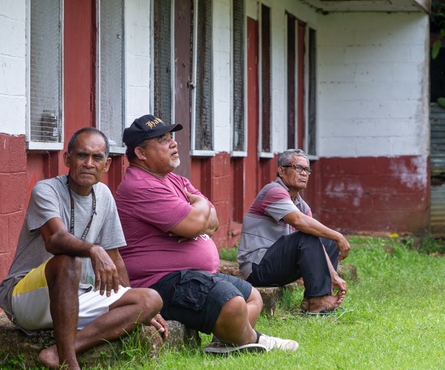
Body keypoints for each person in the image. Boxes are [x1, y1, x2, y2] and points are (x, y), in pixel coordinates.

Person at [114, 114, 297, 354]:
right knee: (232, 304)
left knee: (253, 297)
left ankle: (225, 342)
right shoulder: (141, 185)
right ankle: (256, 340)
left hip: (191, 276)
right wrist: (199, 209)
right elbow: (196, 223)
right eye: (163, 139)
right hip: (159, 282)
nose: (173, 143)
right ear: (140, 153)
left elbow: (213, 222)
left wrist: (198, 217)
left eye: (171, 137)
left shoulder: (173, 179)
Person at [0, 127, 167, 370]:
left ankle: (58, 351)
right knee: (68, 260)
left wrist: (140, 309)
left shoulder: (104, 196)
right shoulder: (46, 191)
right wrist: (93, 249)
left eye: (97, 158)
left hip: (76, 296)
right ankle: (71, 367)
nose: (89, 163)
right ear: (67, 160)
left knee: (150, 299)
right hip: (28, 298)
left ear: (107, 164)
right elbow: (55, 239)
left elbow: (115, 257)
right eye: (81, 156)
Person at [237, 149, 349, 315]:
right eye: (298, 168)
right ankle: (318, 302)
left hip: (277, 265)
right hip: (257, 267)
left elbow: (316, 240)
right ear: (282, 171)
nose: (304, 173)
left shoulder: (300, 204)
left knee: (326, 240)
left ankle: (317, 299)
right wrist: (339, 236)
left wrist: (333, 275)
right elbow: (299, 222)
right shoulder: (273, 191)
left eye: (306, 170)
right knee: (308, 236)